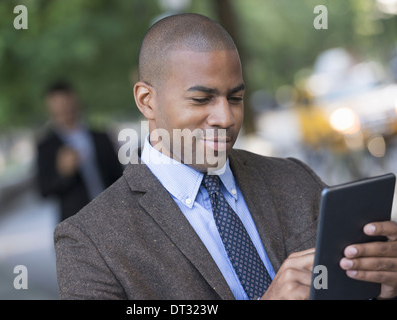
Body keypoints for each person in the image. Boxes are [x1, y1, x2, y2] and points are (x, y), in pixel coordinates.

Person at [53, 14, 397, 300]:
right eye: (202, 99)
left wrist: (385, 282)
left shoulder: (295, 179)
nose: (226, 118)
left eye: (235, 98)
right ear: (146, 101)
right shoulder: (89, 243)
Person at [36, 81, 123, 222]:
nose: (63, 109)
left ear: (75, 100)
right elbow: (43, 190)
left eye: (66, 103)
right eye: (58, 106)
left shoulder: (101, 137)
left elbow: (119, 176)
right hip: (76, 221)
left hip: (112, 214)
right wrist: (63, 174)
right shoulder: (46, 146)